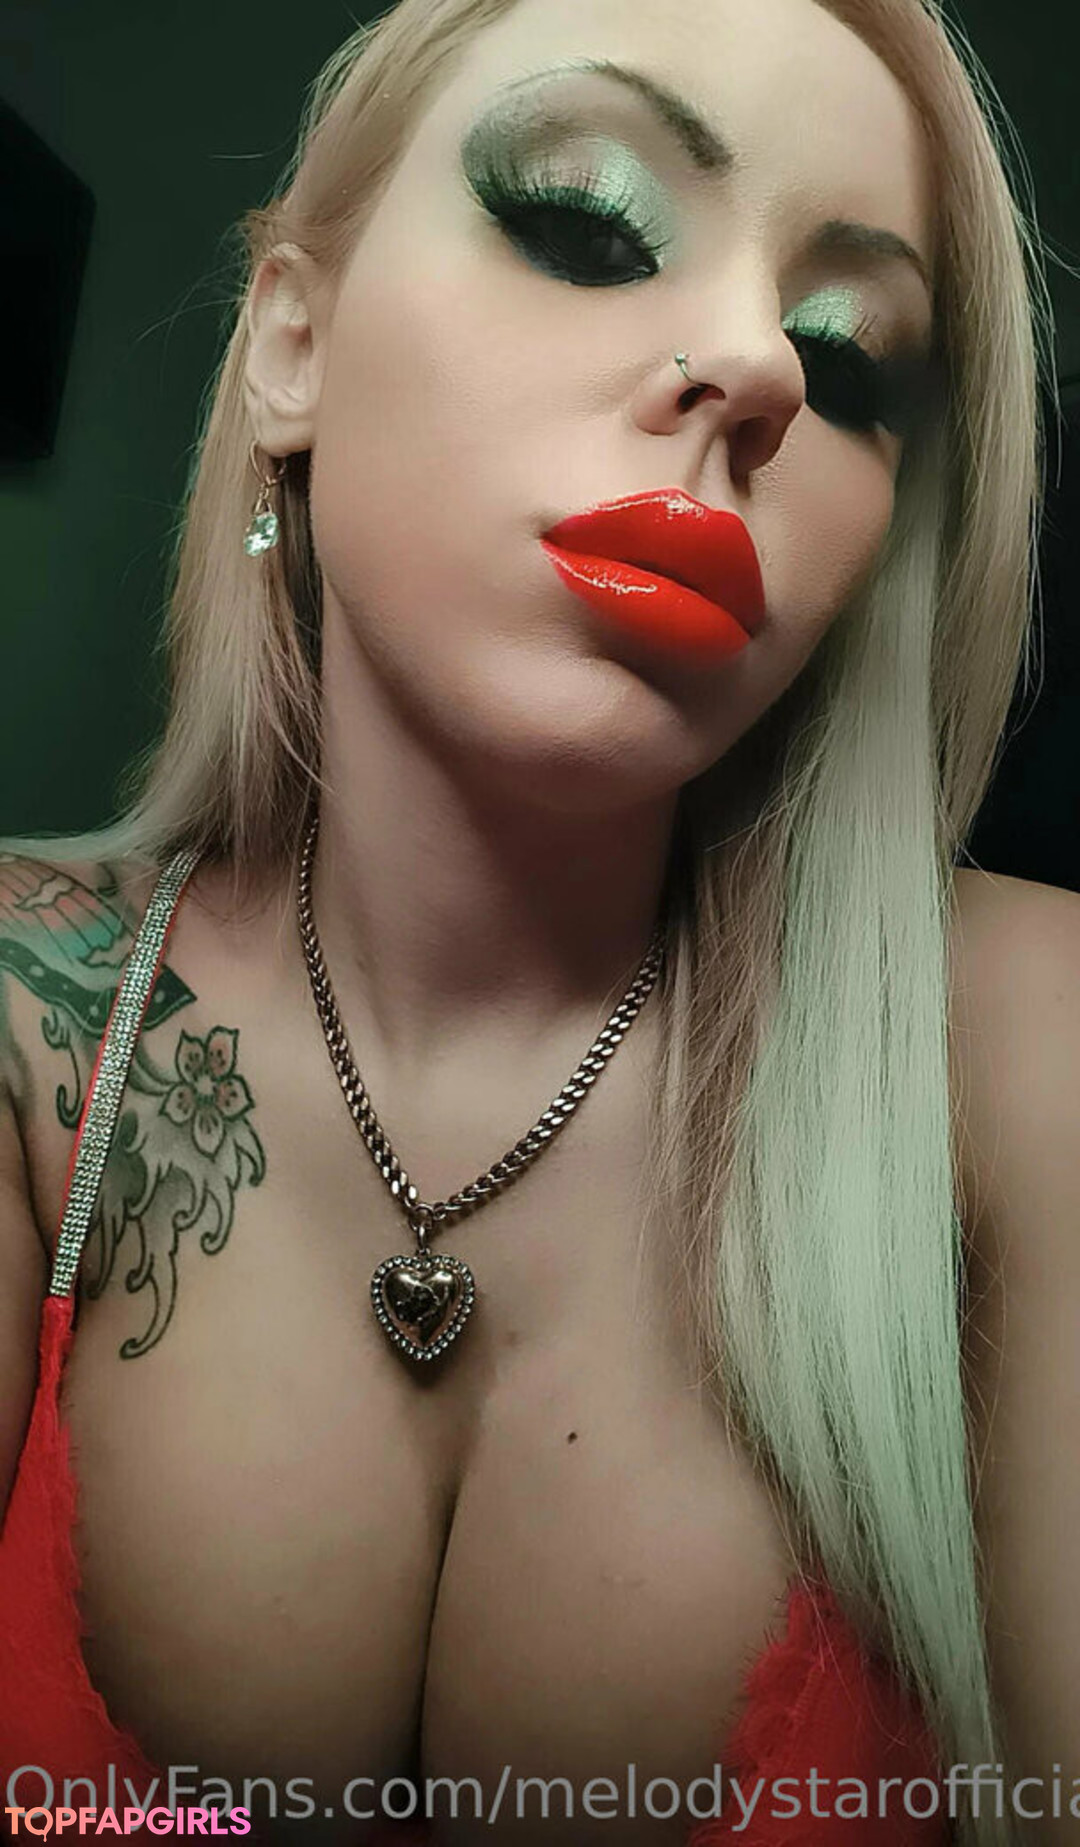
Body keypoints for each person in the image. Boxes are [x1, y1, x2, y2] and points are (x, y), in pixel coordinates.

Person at [0, 0, 1077, 1841]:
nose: (762, 366)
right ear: (291, 346)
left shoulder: (1024, 1054)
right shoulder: (34, 1022)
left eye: (849, 355)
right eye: (591, 222)